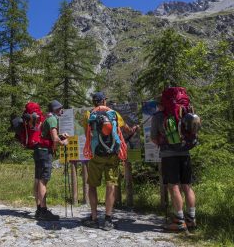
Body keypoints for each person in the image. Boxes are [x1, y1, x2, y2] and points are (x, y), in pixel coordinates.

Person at [82, 92, 138, 230]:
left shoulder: (88, 114)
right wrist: (133, 129)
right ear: (104, 101)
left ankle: (94, 218)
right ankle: (108, 219)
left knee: (93, 186)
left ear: (94, 102)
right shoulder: (114, 114)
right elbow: (126, 129)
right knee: (111, 185)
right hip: (112, 154)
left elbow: (87, 133)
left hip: (96, 156)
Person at [150, 98, 196, 232]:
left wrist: (163, 143)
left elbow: (153, 137)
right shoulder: (184, 112)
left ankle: (179, 221)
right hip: (185, 153)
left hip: (169, 155)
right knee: (187, 186)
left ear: (160, 104)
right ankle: (191, 220)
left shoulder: (158, 116)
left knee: (173, 186)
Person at [34, 100, 68, 221]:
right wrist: (63, 142)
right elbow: (54, 138)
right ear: (55, 109)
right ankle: (43, 211)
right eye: (60, 108)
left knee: (38, 179)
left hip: (38, 150)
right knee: (43, 180)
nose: (61, 110)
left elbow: (49, 135)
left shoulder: (46, 118)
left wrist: (60, 135)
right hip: (44, 152)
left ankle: (39, 209)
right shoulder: (53, 119)